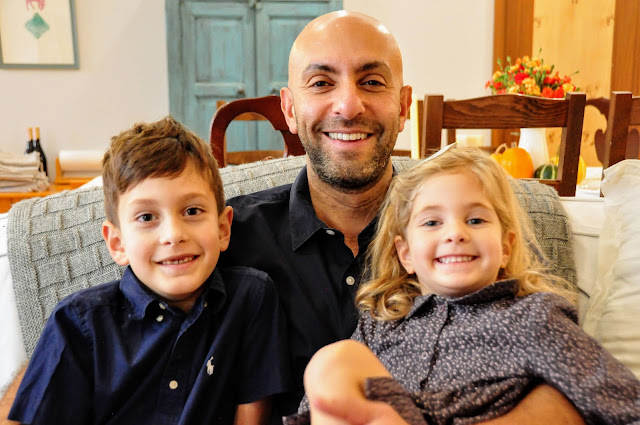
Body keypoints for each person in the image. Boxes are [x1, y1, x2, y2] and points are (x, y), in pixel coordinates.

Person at [219, 9, 586, 424]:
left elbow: (561, 370)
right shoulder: (228, 239)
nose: (348, 105)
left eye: (372, 82)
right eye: (321, 83)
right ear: (289, 108)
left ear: (404, 105)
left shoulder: (466, 236)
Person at [287, 148, 640, 425]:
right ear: (406, 254)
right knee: (332, 360)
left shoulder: (534, 318)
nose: (455, 233)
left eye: (475, 219)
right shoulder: (383, 324)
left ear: (505, 247)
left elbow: (625, 404)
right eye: (432, 222)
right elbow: (320, 407)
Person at [7, 116, 291, 425]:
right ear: (117, 243)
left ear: (223, 228)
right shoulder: (77, 321)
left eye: (192, 211)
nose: (173, 235)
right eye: (146, 217)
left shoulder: (251, 298)